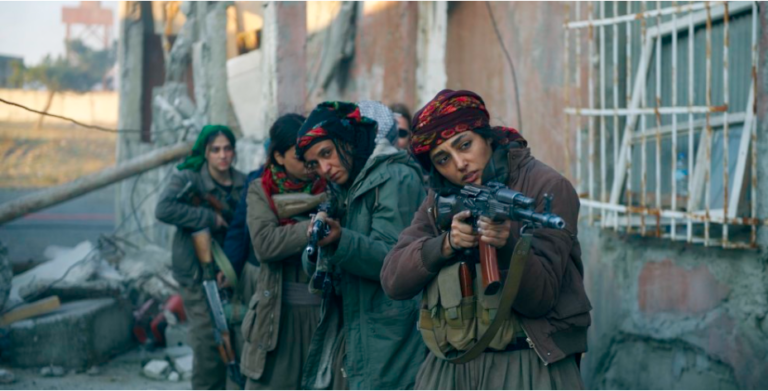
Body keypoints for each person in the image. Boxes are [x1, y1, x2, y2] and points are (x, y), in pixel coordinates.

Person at [380, 90, 592, 389]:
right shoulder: (440, 197)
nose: (460, 164)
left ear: (487, 138)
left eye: (464, 145)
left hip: (526, 363)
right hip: (451, 366)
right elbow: (393, 280)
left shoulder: (546, 185)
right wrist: (445, 245)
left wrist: (508, 246)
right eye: (443, 159)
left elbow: (540, 299)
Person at [295, 101, 426, 390]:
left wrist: (341, 239)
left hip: (394, 337)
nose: (325, 168)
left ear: (347, 141)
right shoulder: (347, 187)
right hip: (360, 329)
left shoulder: (395, 177)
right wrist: (317, 245)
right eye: (315, 163)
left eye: (327, 154)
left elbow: (395, 260)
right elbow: (321, 272)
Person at [155, 125, 249, 390]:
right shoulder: (189, 178)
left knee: (236, 341)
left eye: (227, 149)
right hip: (197, 276)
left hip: (231, 274)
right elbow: (163, 209)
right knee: (209, 343)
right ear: (205, 153)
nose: (222, 155)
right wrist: (208, 218)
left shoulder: (244, 183)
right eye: (215, 150)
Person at [238, 113, 327, 390]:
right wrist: (312, 229)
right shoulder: (261, 191)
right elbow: (265, 244)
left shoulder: (331, 188)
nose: (310, 164)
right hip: (277, 314)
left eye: (312, 154)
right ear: (278, 157)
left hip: (322, 314)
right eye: (300, 156)